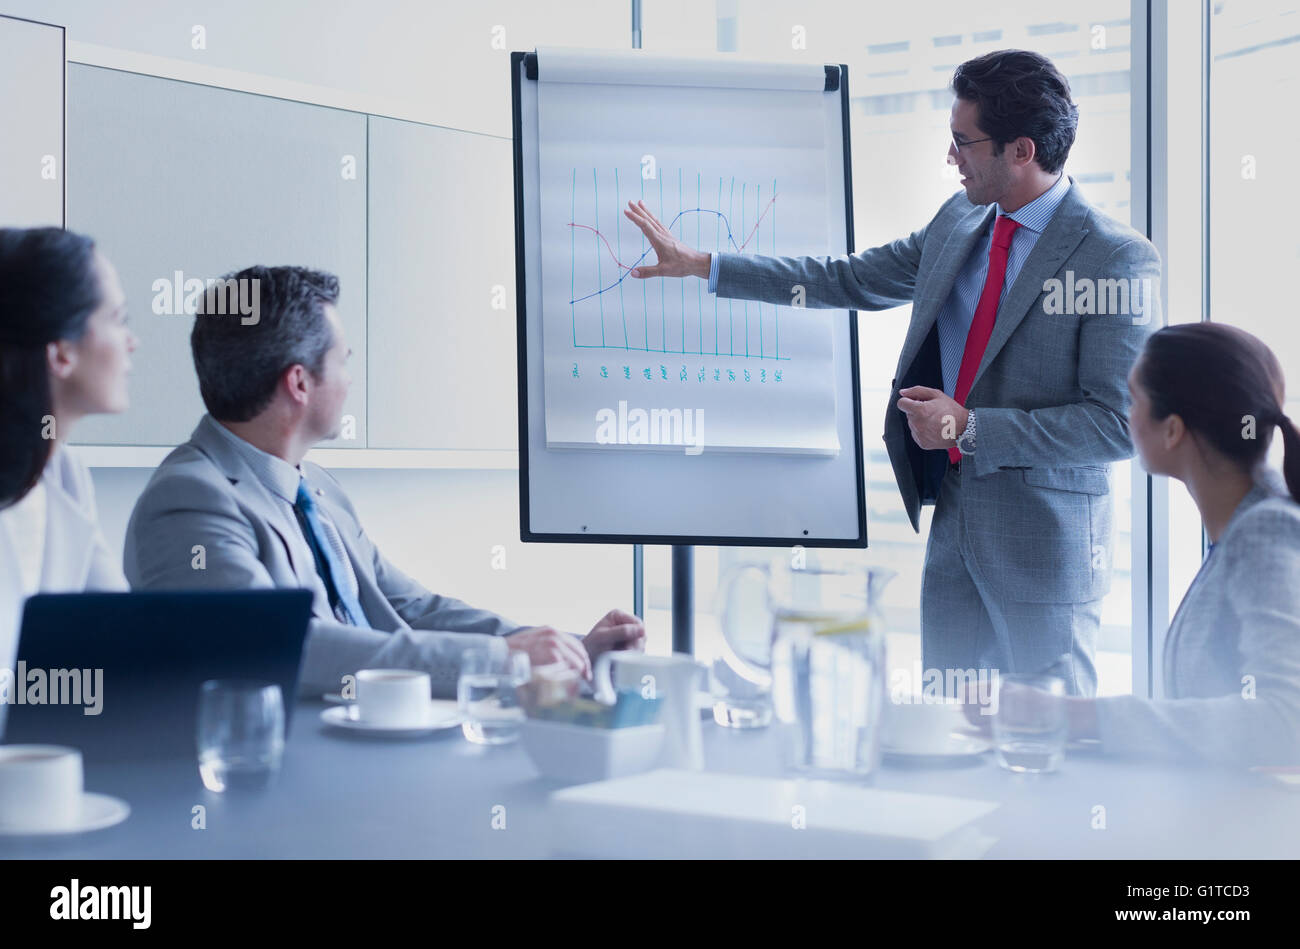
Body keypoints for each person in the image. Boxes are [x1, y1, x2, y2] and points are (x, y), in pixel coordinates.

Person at [622, 49, 1161, 696]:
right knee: (948, 731)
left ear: (1021, 150)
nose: (950, 157)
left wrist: (971, 427)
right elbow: (844, 278)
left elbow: (1116, 426)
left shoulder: (1115, 259)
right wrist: (704, 264)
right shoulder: (957, 222)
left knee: (1050, 745)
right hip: (953, 529)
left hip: (1044, 548)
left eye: (963, 142)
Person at [123, 265, 643, 697]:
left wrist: (569, 649)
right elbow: (279, 646)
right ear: (299, 383)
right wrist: (501, 659)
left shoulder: (318, 489)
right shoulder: (190, 499)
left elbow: (414, 609)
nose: (350, 381)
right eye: (343, 362)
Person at [1061, 324, 1300, 766]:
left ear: (1172, 430)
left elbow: (1286, 722)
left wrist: (1079, 716)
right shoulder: (1243, 523)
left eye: (1134, 400)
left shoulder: (1265, 531)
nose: (1127, 415)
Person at [0, 227, 136, 702]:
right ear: (61, 352)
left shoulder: (64, 473)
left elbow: (125, 635)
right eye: (118, 319)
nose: (131, 343)